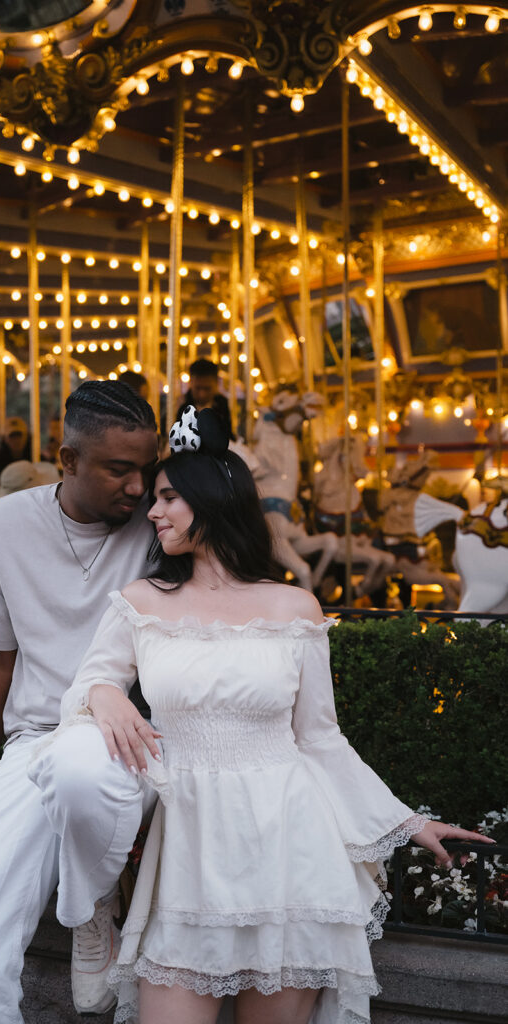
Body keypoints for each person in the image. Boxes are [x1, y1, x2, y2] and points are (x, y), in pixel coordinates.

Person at [29, 405, 495, 1024]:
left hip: (290, 847)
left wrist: (409, 824)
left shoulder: (295, 607)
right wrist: (107, 693)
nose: (153, 511)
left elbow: (321, 739)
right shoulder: (141, 602)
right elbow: (86, 684)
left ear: (214, 499)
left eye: (169, 497)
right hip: (192, 843)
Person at [0, 380, 160, 1023]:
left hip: (134, 744)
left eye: (148, 469)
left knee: (84, 772)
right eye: (120, 470)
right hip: (35, 742)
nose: (138, 488)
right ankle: (91, 892)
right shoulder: (1, 524)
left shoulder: (161, 523)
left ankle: (90, 908)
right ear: (68, 460)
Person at [177, 358, 233, 440]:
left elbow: (228, 435)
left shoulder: (222, 406)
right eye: (197, 388)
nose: (202, 394)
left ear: (216, 384)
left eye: (207, 389)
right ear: (190, 383)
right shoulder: (183, 407)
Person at [0, 416, 32, 498]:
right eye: (12, 437)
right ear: (4, 439)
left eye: (19, 436)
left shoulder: (35, 458)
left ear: (26, 437)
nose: (16, 440)